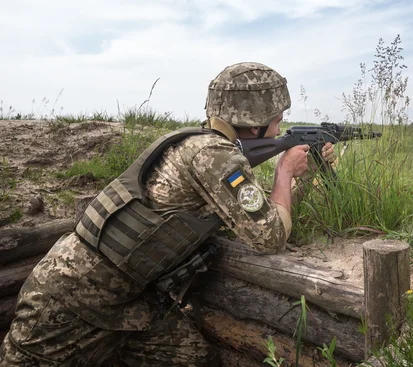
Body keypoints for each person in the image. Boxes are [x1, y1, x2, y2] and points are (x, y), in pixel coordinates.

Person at [0, 62, 336, 366]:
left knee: (193, 359)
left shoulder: (195, 144)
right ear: (254, 123)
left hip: (129, 303)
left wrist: (302, 175)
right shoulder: (215, 157)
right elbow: (271, 235)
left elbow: (258, 214)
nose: (279, 130)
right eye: (277, 120)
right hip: (70, 301)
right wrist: (284, 172)